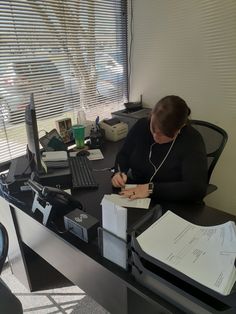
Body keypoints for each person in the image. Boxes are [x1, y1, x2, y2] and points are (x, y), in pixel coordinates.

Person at [111, 95, 208, 203]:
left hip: (172, 203)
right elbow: (123, 154)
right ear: (151, 115)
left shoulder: (192, 140)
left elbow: (196, 189)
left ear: (179, 128)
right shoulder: (142, 125)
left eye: (163, 134)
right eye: (153, 128)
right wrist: (118, 173)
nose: (155, 136)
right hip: (136, 196)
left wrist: (150, 189)